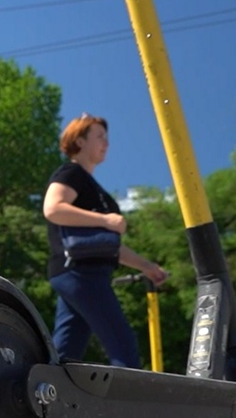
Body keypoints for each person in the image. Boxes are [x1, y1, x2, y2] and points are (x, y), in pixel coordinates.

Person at [43, 113, 168, 367]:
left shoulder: (95, 190)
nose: (107, 143)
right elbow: (53, 208)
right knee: (122, 344)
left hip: (78, 274)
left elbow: (109, 246)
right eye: (99, 136)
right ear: (79, 142)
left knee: (65, 353)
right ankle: (127, 404)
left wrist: (147, 267)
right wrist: (105, 220)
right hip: (81, 273)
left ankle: (41, 401)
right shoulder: (71, 173)